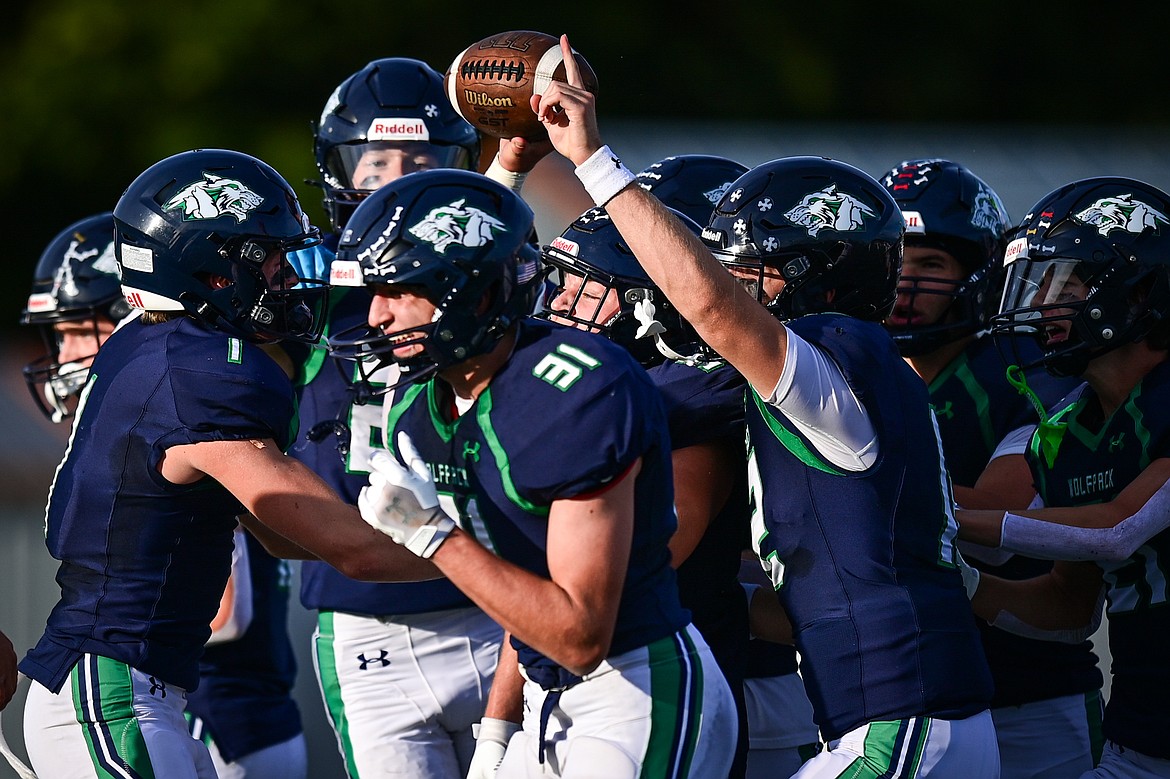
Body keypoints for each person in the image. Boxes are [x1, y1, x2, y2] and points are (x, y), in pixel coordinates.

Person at [533, 36, 998, 776]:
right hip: (906, 716)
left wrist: (591, 159)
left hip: (902, 723)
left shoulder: (838, 347)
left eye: (745, 268)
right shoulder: (851, 375)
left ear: (816, 274)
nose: (724, 285)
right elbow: (822, 596)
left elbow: (715, 313)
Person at [17, 148, 437, 779]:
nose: (283, 277)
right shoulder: (197, 374)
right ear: (211, 269)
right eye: (266, 258)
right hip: (112, 697)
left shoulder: (154, 343)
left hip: (138, 692)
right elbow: (355, 551)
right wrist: (506, 561)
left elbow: (280, 533)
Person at [329, 167, 738, 778]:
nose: (379, 315)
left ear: (475, 294)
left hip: (632, 686)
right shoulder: (416, 403)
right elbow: (516, 588)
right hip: (544, 692)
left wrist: (430, 533)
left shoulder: (575, 393)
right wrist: (498, 728)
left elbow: (579, 634)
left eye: (400, 289)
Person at [18, 210, 309, 779]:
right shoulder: (169, 399)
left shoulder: (181, 396)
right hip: (164, 697)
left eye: (79, 329)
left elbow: (231, 611)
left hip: (208, 711)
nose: (66, 353)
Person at [287, 57, 516, 778]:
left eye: (419, 159)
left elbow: (488, 241)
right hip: (364, 619)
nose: (395, 178)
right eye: (375, 160)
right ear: (338, 172)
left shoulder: (494, 280)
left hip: (493, 603)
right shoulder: (303, 285)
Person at [881, 158, 1103, 777]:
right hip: (907, 698)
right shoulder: (854, 364)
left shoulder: (1021, 367)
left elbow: (1001, 531)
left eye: (930, 264)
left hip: (1031, 694)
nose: (905, 281)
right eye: (897, 259)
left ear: (978, 276)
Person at [955, 176, 1170, 779]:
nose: (1040, 305)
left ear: (1138, 289)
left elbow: (1117, 530)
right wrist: (959, 582)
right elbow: (1070, 608)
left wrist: (944, 520)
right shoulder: (1066, 433)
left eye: (1064, 284)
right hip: (1141, 742)